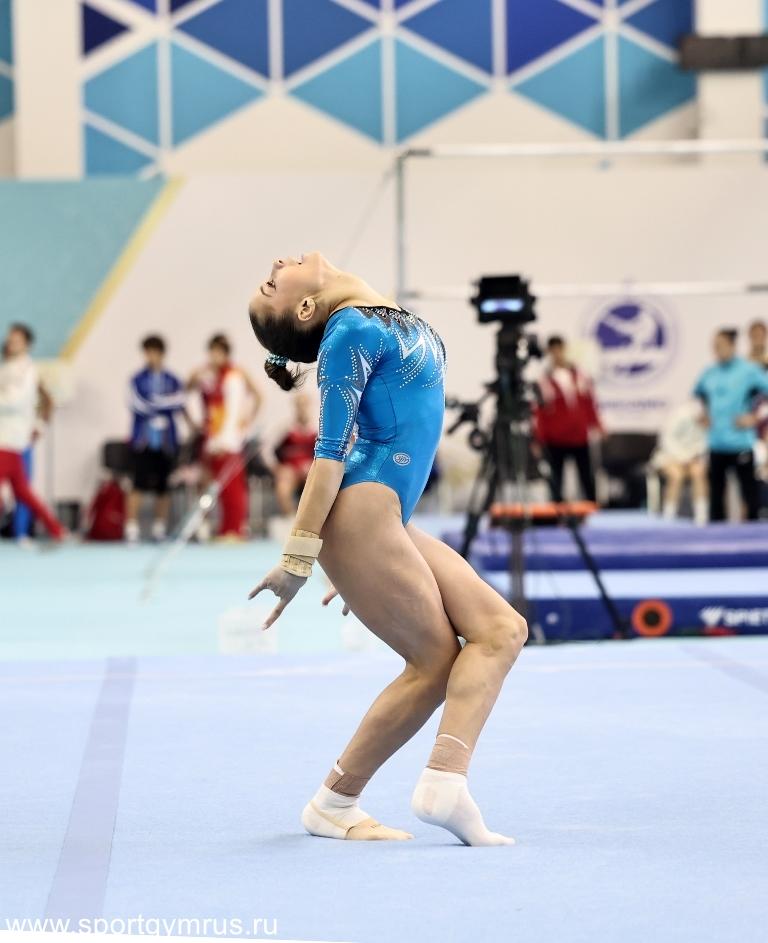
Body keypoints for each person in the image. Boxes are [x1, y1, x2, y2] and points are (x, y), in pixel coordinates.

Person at [247, 252, 527, 846]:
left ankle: (445, 782)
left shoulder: (374, 317)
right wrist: (301, 557)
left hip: (384, 519)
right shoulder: (347, 331)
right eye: (272, 283)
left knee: (502, 630)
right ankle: (334, 802)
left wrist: (369, 559)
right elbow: (329, 455)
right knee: (433, 662)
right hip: (363, 513)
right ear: (305, 307)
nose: (277, 262)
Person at [189, 334, 261, 539]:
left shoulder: (236, 374)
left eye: (218, 352)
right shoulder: (209, 375)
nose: (214, 356)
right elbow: (189, 388)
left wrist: (246, 422)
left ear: (226, 354)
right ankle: (220, 528)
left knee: (231, 487)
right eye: (211, 352)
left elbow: (253, 399)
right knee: (213, 486)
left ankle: (234, 529)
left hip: (228, 439)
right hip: (212, 436)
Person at [694, 328, 768, 522]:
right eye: (714, 346)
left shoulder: (748, 370)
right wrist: (703, 415)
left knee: (750, 497)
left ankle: (754, 536)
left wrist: (755, 417)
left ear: (732, 346)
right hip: (716, 443)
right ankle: (715, 537)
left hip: (740, 443)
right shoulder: (709, 373)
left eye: (720, 345)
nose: (716, 350)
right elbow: (698, 396)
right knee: (716, 499)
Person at [0, 323, 64, 540]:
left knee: (22, 490)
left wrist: (39, 427)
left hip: (13, 438)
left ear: (27, 344)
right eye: (10, 339)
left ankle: (24, 532)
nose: (12, 343)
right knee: (22, 490)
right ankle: (55, 528)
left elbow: (22, 402)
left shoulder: (28, 370)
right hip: (7, 436)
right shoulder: (6, 368)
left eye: (17, 340)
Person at [126, 335, 187, 542]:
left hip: (166, 441)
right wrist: (163, 404)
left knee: (163, 485)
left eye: (154, 352)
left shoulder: (173, 380)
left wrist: (155, 402)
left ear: (161, 353)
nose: (150, 356)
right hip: (143, 441)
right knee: (138, 484)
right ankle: (131, 528)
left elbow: (180, 401)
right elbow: (137, 404)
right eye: (147, 352)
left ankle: (159, 527)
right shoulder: (137, 379)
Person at [534, 335, 603, 501]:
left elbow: (589, 402)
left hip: (579, 435)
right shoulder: (544, 381)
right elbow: (539, 412)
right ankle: (557, 509)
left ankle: (591, 506)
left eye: (560, 349)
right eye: (553, 351)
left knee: (587, 476)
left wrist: (597, 424)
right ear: (549, 353)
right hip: (555, 438)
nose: (557, 354)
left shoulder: (580, 376)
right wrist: (538, 439)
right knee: (556, 478)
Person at [651, 399, 708, 525]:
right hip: (669, 457)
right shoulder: (680, 416)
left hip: (692, 458)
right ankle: (669, 515)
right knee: (676, 476)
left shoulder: (707, 422)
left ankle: (701, 515)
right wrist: (683, 457)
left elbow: (704, 444)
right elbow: (666, 440)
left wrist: (692, 456)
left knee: (699, 473)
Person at [272, 392, 317, 516]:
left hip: (309, 470)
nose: (302, 409)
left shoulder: (317, 430)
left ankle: (311, 519)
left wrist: (314, 466)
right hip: (290, 471)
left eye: (305, 405)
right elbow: (267, 451)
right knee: (282, 489)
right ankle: (291, 518)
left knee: (319, 485)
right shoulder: (285, 429)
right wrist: (277, 468)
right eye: (299, 405)